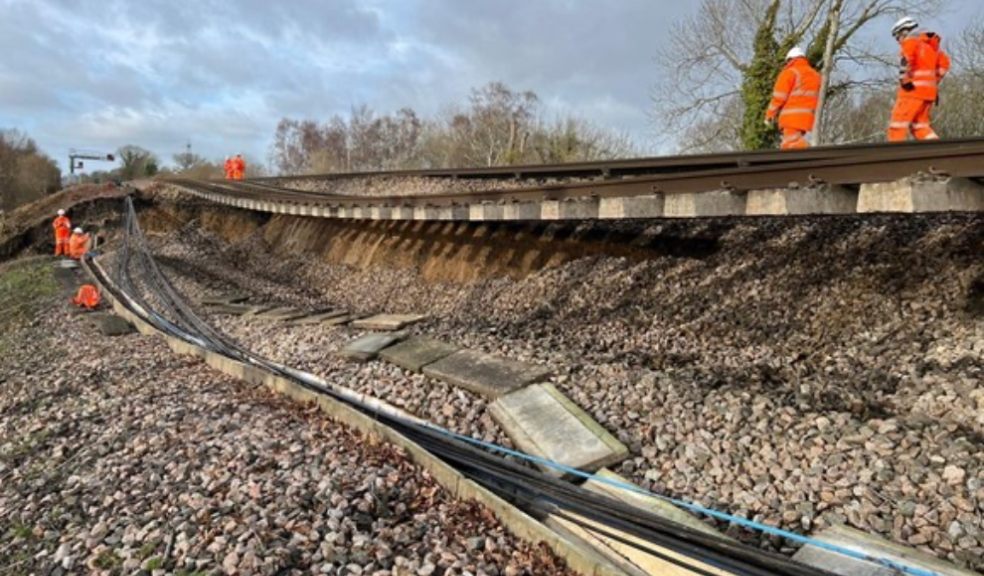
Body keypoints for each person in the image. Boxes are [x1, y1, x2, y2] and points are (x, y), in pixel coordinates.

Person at [887, 16, 950, 142]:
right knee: (920, 126)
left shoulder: (910, 41)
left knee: (897, 124)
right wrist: (933, 83)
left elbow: (906, 60)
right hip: (928, 94)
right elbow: (944, 64)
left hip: (912, 91)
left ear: (904, 31)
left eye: (898, 36)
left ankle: (894, 156)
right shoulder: (932, 47)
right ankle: (937, 151)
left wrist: (904, 79)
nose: (898, 41)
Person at [765, 46, 821, 150]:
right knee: (790, 145)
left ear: (790, 60)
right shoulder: (815, 75)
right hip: (808, 118)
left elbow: (779, 97)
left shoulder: (790, 72)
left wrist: (770, 114)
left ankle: (809, 158)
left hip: (791, 118)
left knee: (791, 146)